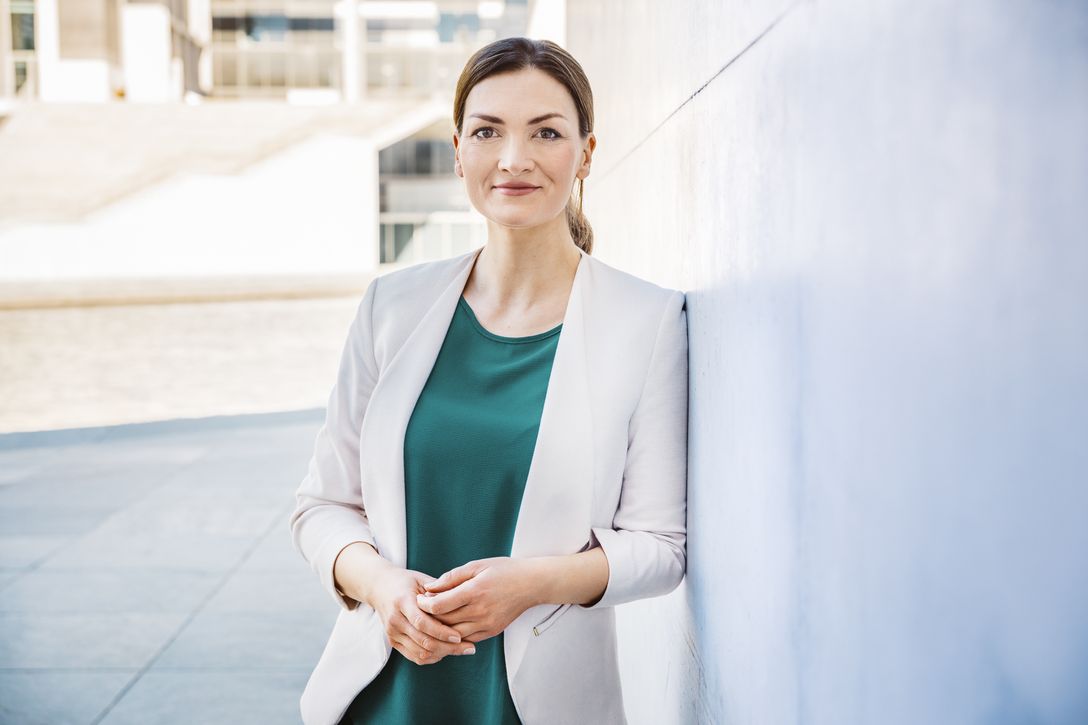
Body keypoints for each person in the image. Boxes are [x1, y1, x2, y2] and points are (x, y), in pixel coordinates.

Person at [289, 37, 689, 725]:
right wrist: (384, 588)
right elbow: (321, 506)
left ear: (586, 153)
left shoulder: (646, 321)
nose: (513, 158)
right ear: (457, 151)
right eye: (487, 131)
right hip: (383, 697)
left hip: (536, 705)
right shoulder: (392, 306)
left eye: (546, 133)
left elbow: (660, 546)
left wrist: (533, 583)